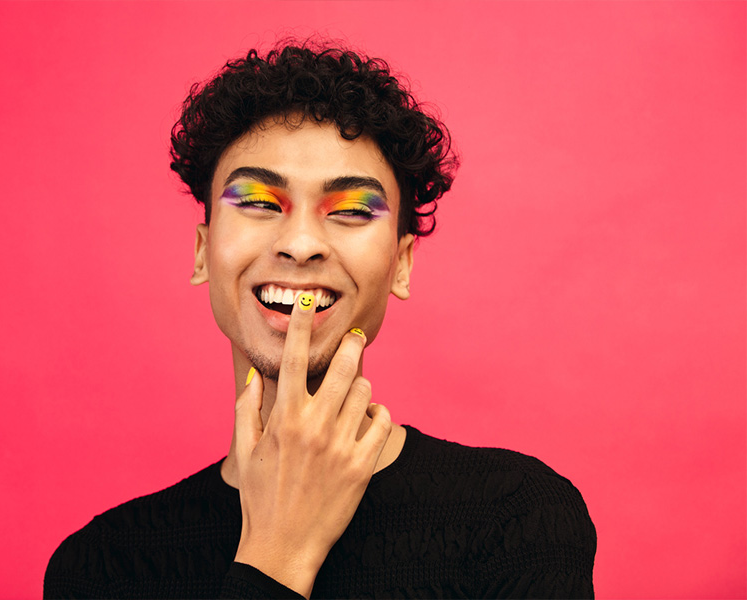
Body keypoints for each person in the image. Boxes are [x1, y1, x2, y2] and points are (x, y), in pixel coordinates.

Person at [44, 42, 597, 599]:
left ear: (400, 264)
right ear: (202, 250)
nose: (302, 244)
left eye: (353, 211)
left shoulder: (519, 518)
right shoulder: (103, 568)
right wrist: (276, 555)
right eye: (259, 203)